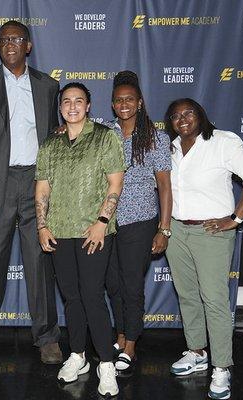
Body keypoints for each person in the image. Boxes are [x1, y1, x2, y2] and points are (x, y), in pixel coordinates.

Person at [0, 20, 61, 365]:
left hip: (37, 184)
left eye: (16, 39)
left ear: (28, 46)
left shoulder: (49, 86)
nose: (9, 44)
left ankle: (47, 337)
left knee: (40, 265)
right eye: (3, 40)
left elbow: (56, 141)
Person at [164, 98, 243, 400]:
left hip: (211, 232)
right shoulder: (170, 148)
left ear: (201, 115)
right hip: (177, 230)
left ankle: (221, 366)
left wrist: (235, 219)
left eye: (188, 113)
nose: (182, 119)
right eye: (176, 116)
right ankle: (197, 352)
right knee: (188, 295)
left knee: (215, 299)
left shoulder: (222, 142)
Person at [35, 82, 125, 397]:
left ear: (88, 106)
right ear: (60, 108)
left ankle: (107, 364)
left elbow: (115, 184)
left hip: (93, 231)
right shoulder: (50, 144)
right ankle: (77, 355)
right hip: (59, 231)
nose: (72, 106)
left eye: (79, 101)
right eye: (66, 102)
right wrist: (42, 226)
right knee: (71, 297)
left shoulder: (105, 138)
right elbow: (42, 189)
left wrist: (102, 222)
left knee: (91, 296)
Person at [104, 71, 172, 371]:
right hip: (107, 221)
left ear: (140, 102)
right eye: (118, 100)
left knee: (131, 284)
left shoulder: (157, 138)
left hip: (141, 220)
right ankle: (120, 334)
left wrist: (164, 229)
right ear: (112, 104)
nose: (124, 104)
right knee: (112, 283)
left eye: (129, 99)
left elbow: (165, 187)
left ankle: (131, 344)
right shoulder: (105, 133)